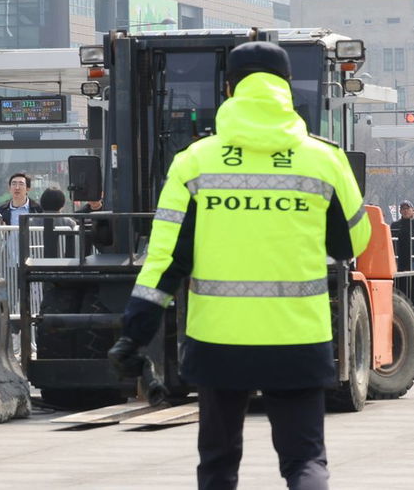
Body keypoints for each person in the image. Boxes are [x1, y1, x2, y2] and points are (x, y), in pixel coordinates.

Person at [109, 41, 371, 490]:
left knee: (218, 463)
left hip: (218, 342)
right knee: (304, 461)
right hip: (298, 337)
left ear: (229, 88)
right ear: (287, 89)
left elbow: (166, 260)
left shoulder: (195, 161)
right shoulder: (324, 159)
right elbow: (354, 243)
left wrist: (135, 334)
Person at [392, 200, 414, 272]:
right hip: (399, 258)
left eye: (407, 208)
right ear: (400, 211)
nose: (405, 211)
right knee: (400, 281)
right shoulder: (395, 225)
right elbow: (390, 241)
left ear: (412, 210)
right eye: (403, 209)